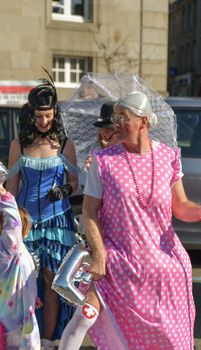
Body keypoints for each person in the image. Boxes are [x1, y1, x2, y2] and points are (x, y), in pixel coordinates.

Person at [58, 91, 201, 350]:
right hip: (119, 263)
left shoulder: (168, 157)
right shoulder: (103, 162)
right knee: (86, 317)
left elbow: (181, 206)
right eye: (114, 117)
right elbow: (90, 211)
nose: (115, 123)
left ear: (143, 121)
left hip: (165, 267)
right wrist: (99, 252)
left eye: (122, 117)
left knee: (171, 341)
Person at [6, 77, 78, 349]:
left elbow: (76, 182)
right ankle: (25, 339)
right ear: (31, 114)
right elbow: (11, 189)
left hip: (57, 221)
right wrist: (9, 223)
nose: (44, 121)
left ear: (55, 113)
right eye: (39, 116)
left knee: (50, 283)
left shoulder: (64, 143)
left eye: (48, 116)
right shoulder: (18, 145)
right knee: (23, 284)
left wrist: (64, 190)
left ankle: (48, 341)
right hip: (26, 224)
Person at [0, 184, 41, 349]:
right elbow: (13, 222)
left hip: (16, 315)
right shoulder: (9, 248)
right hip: (14, 323)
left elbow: (22, 275)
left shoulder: (18, 251)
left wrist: (32, 295)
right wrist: (5, 197)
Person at [84, 101, 118, 170]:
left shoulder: (125, 151)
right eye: (102, 127)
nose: (105, 132)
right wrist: (90, 169)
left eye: (110, 128)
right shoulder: (96, 149)